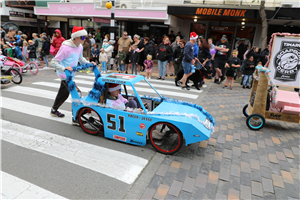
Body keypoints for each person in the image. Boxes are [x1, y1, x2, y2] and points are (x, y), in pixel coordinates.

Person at [50, 26, 96, 122]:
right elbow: (54, 61)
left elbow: (80, 59)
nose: (85, 39)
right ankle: (76, 118)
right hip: (65, 76)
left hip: (71, 75)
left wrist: (89, 64)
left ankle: (54, 110)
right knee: (77, 94)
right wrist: (64, 68)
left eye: (85, 37)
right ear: (76, 37)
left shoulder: (79, 46)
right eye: (83, 37)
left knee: (63, 94)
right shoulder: (65, 48)